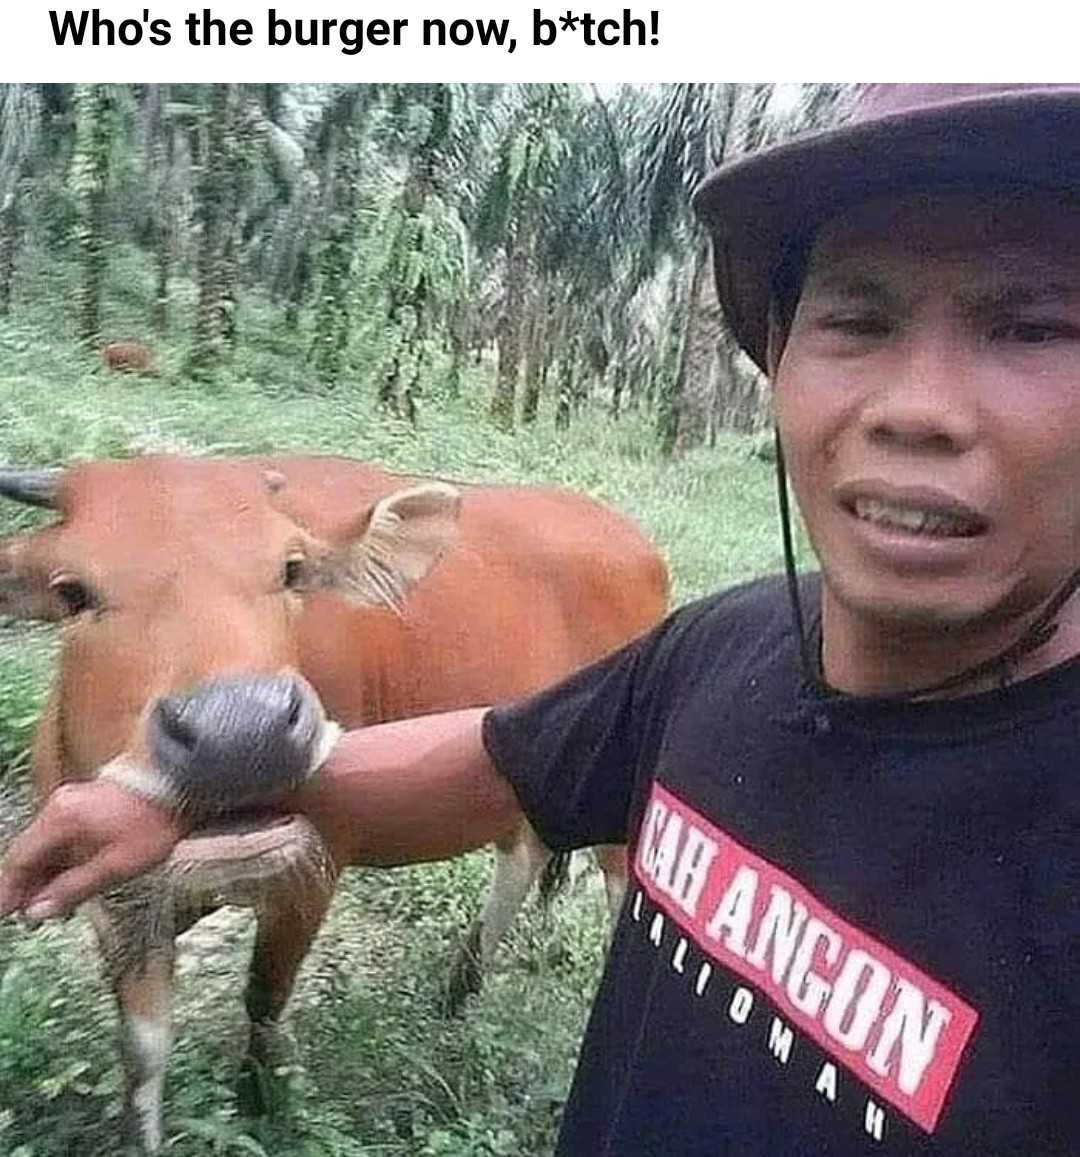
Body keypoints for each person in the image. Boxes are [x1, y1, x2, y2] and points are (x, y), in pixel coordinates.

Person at [2, 84, 1079, 1155]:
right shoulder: (718, 649)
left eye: (1033, 325)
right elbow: (502, 749)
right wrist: (187, 785)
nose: (918, 407)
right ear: (780, 356)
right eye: (858, 319)